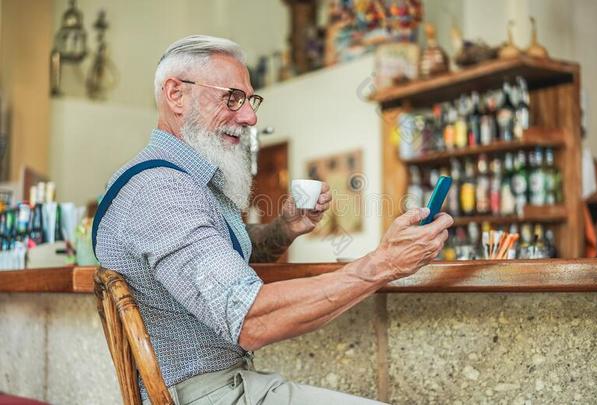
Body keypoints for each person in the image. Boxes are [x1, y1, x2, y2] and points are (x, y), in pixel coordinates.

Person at [94, 35, 453, 405]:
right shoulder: (161, 190)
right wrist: (384, 263)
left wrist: (284, 229)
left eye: (250, 100)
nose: (250, 116)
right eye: (232, 97)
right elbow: (250, 320)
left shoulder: (176, 182)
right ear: (176, 94)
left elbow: (219, 260)